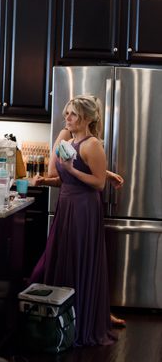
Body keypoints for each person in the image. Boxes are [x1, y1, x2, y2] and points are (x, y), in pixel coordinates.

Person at [32, 95, 117, 346]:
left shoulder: (92, 145)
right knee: (64, 258)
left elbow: (98, 184)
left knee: (79, 258)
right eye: (67, 113)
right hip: (66, 205)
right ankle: (61, 322)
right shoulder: (68, 142)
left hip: (83, 209)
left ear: (87, 118)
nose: (66, 117)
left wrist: (71, 169)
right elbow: (63, 178)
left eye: (72, 114)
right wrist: (47, 180)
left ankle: (83, 322)